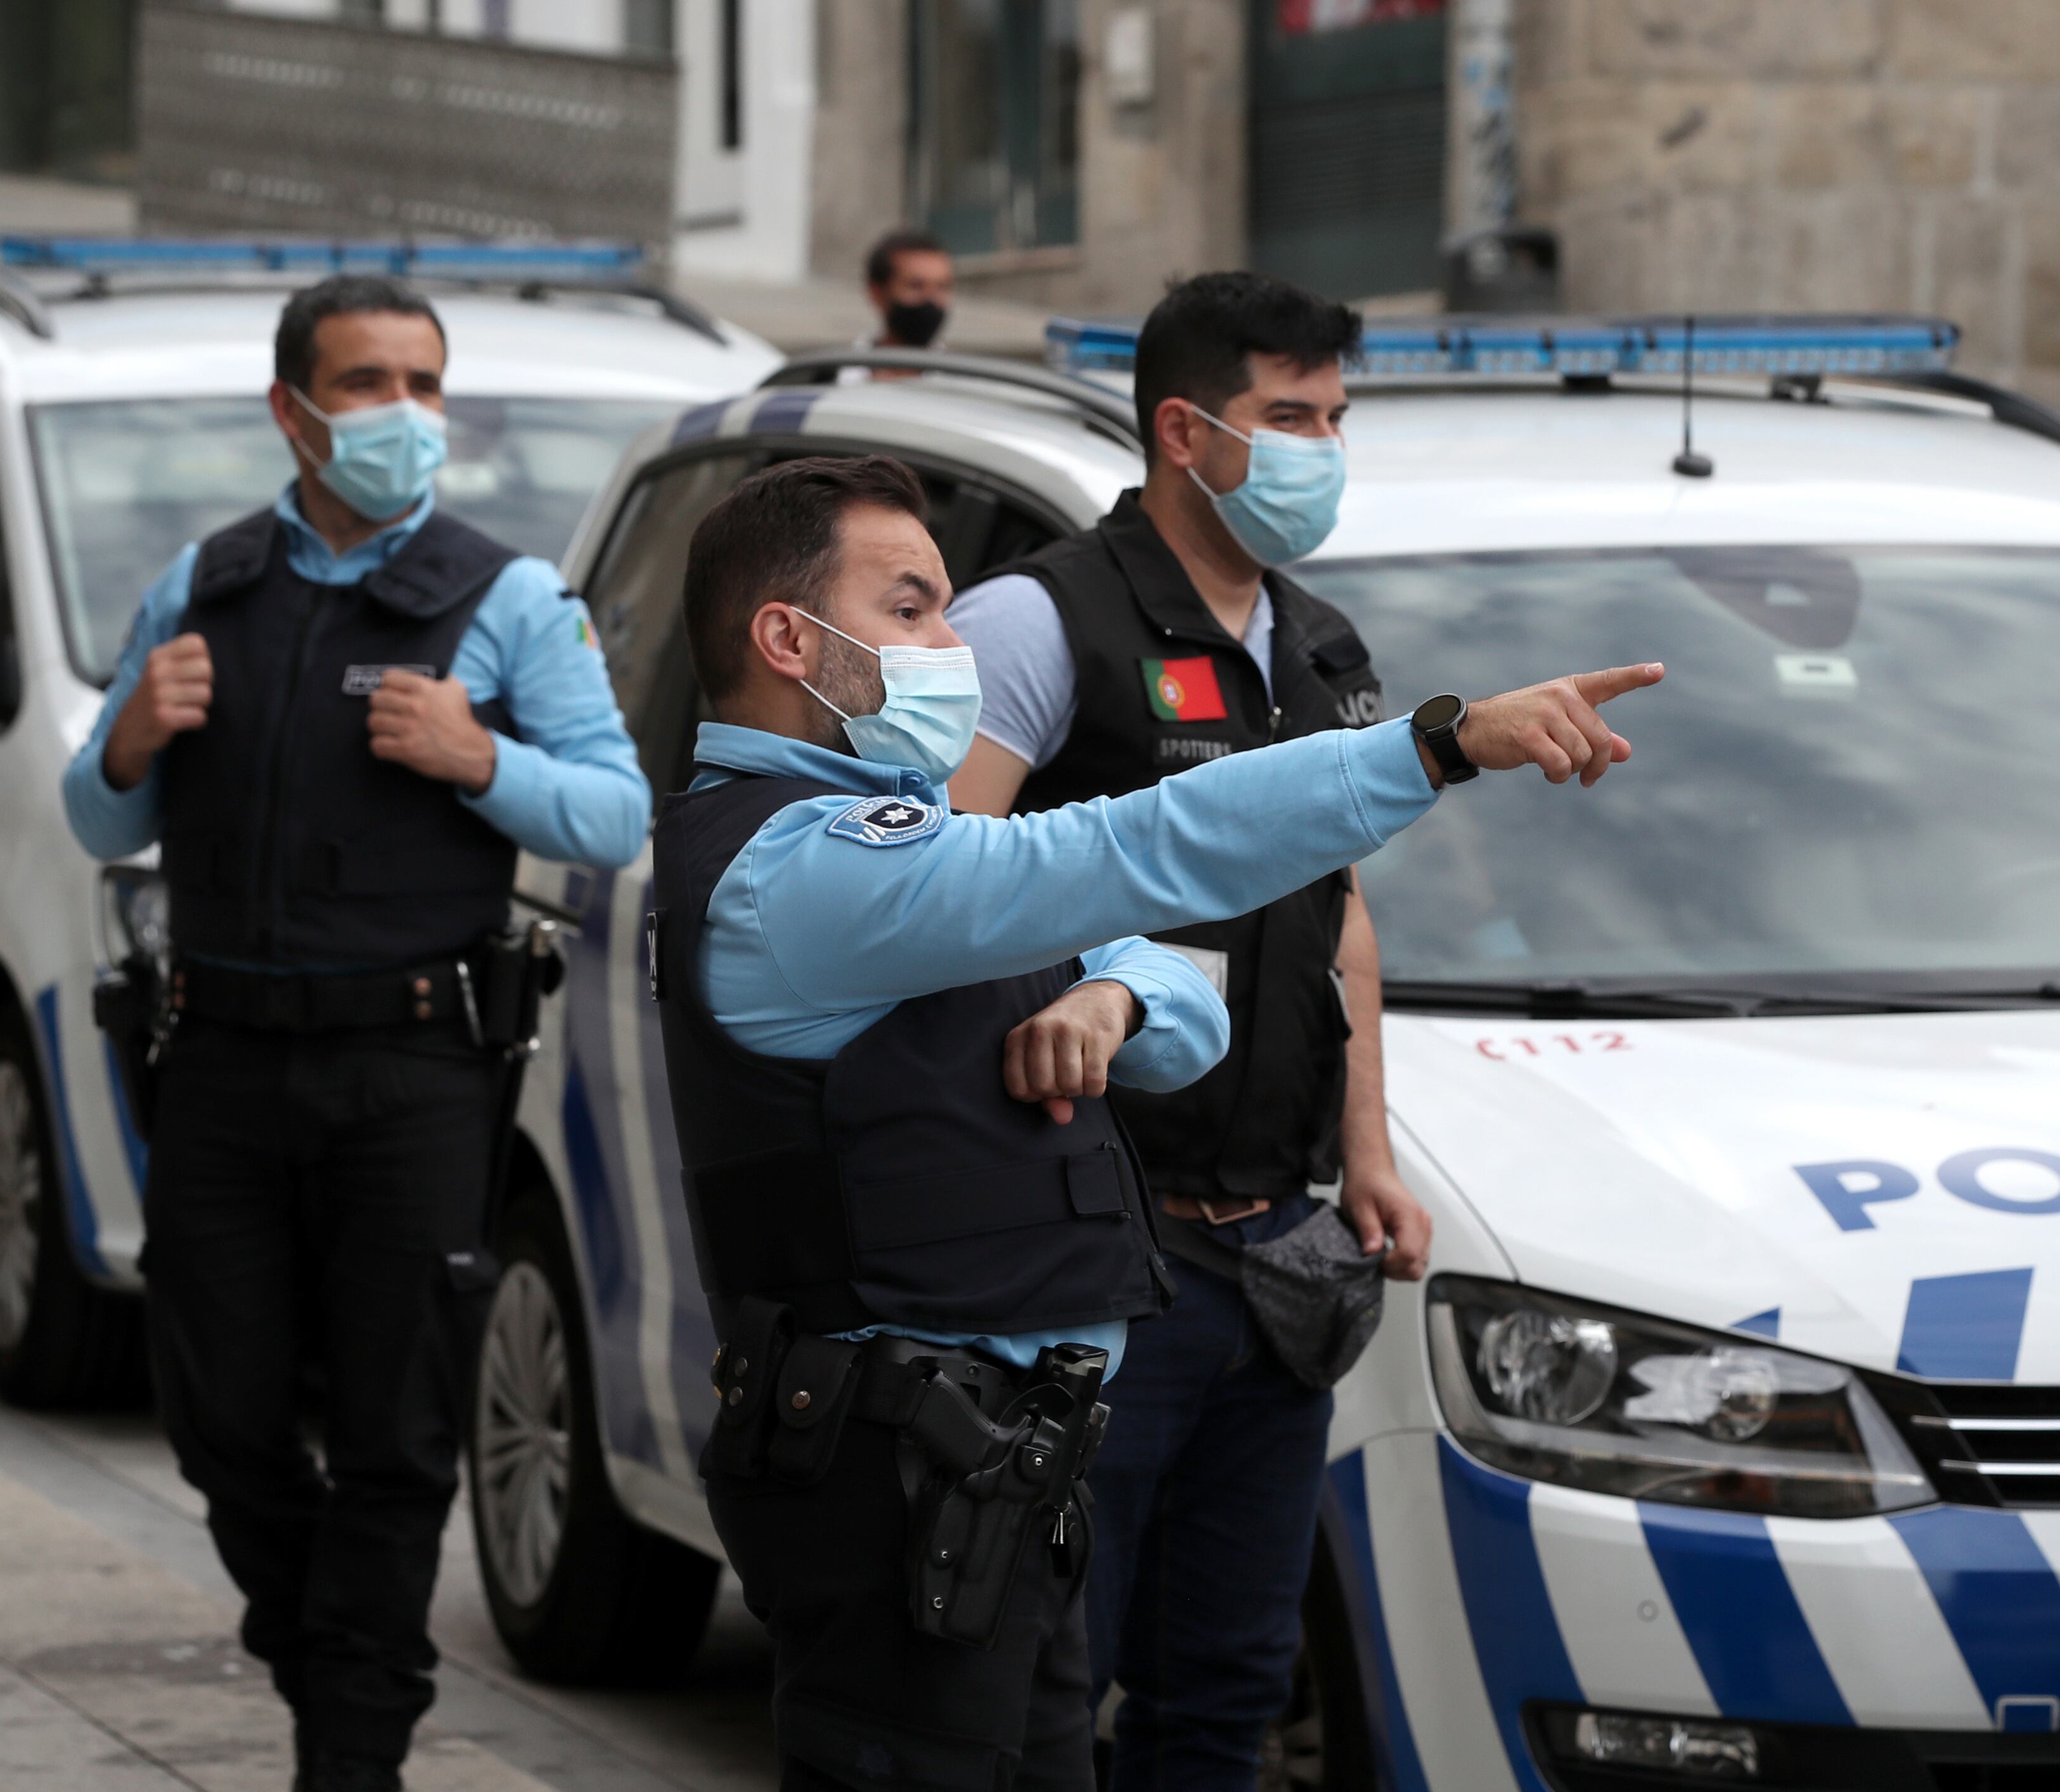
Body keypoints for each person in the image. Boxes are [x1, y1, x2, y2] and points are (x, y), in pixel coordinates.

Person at [658, 452, 1656, 1792]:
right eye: (911, 611)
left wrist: (1117, 990)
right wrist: (1434, 743)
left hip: (992, 1478)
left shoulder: (891, 854)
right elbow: (1127, 849)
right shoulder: (804, 867)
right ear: (789, 637)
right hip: (897, 1484)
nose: (949, 647)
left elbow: (1184, 1000)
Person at [60, 274, 650, 1792]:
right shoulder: (202, 583)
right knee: (219, 1420)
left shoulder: (506, 597)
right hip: (224, 1062)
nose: (405, 415)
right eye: (369, 383)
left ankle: (350, 1756)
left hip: (413, 1069)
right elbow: (94, 810)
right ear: (292, 409)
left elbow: (614, 808)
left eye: (424, 385)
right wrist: (129, 734)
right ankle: (337, 1651)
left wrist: (479, 759)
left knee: (396, 1434)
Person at [940, 269, 1413, 1788]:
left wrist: (1369, 1153)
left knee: (1226, 1694)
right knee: (1042, 1685)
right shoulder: (1037, 623)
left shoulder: (1326, 648)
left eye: (1335, 416)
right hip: (1086, 1255)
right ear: (1184, 430)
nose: (1320, 447)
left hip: (1273, 1260)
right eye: (1288, 417)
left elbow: (1336, 913)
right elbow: (929, 889)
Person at [866, 226, 957, 352]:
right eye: (916, 286)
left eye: (942, 287)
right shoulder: (836, 369)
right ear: (877, 293)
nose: (931, 299)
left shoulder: (964, 371)